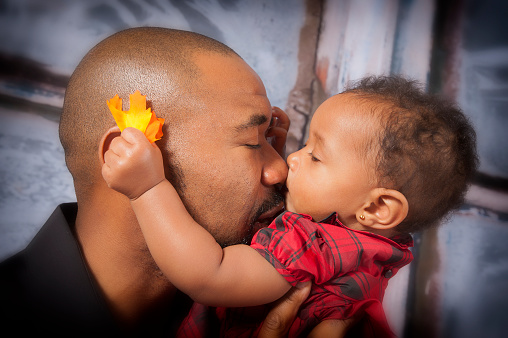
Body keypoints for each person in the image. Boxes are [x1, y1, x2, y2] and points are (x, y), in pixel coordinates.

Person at [0, 27, 349, 337]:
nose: (280, 171)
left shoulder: (277, 308)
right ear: (125, 152)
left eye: (271, 141)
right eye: (252, 142)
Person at [102, 75, 478, 337]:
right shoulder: (362, 246)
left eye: (315, 156)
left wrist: (148, 188)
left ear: (378, 207)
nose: (289, 163)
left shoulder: (310, 240)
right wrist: (276, 151)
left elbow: (210, 276)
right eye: (254, 145)